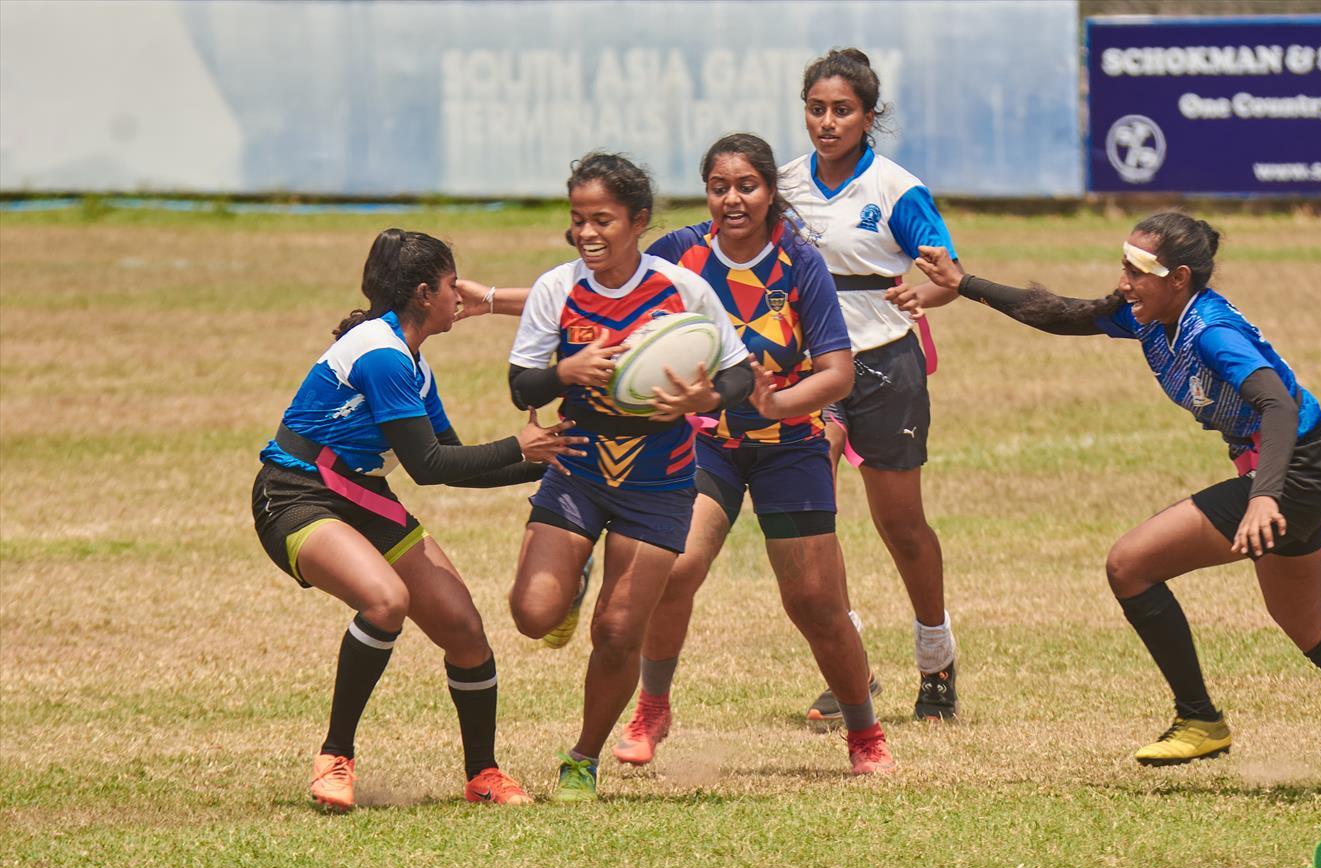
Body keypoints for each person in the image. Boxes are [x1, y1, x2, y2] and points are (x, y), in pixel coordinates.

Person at [913, 211, 1321, 792]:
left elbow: (1277, 405)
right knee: (1308, 624)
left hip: (1292, 472)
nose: (1124, 281)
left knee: (1130, 565)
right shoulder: (1152, 316)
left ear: (1179, 277)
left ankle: (1199, 717)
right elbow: (1064, 316)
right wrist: (964, 283)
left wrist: (1263, 500)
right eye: (1123, 266)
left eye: (1137, 270)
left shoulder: (1211, 332)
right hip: (1298, 470)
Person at [252, 228, 585, 812]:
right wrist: (519, 448)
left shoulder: (413, 363)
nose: (462, 295)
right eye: (454, 284)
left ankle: (483, 773)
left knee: (463, 629)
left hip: (361, 496)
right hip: (295, 494)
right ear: (426, 293)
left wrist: (548, 466)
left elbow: (453, 462)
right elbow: (428, 467)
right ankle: (335, 758)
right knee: (385, 600)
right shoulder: (381, 356)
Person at [608, 132, 894, 775]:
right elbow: (609, 298)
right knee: (675, 571)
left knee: (815, 605)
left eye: (746, 186)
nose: (732, 199)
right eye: (718, 187)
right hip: (706, 443)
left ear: (770, 192)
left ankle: (865, 733)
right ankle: (653, 706)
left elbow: (838, 374)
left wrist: (781, 406)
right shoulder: (680, 253)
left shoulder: (799, 262)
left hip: (789, 446)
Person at [506, 152, 754, 802]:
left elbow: (739, 373)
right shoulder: (556, 290)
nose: (587, 234)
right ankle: (574, 576)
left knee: (617, 634)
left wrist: (703, 401)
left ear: (638, 220)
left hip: (660, 478)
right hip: (578, 467)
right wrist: (566, 371)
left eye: (603, 221)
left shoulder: (682, 289)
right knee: (533, 616)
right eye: (578, 220)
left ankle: (583, 758)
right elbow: (519, 385)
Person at [779, 47, 966, 724]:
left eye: (842, 111)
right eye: (816, 109)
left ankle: (936, 659)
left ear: (868, 116)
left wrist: (927, 289)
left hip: (887, 364)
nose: (827, 123)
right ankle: (848, 668)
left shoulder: (895, 188)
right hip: (812, 373)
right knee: (810, 520)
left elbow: (949, 276)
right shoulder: (782, 186)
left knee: (901, 526)